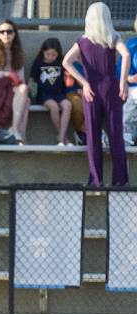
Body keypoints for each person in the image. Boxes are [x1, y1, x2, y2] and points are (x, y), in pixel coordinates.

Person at [63, 2, 130, 186]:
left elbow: (66, 62)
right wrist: (123, 81)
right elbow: (126, 55)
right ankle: (120, 180)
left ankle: (95, 180)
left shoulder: (82, 41)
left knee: (93, 136)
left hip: (90, 91)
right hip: (111, 88)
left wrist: (84, 82)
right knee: (116, 135)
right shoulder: (113, 37)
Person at [29, 38, 72, 145]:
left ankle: (61, 138)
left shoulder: (61, 62)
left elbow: (66, 79)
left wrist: (68, 77)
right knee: (53, 106)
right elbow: (32, 79)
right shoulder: (38, 62)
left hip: (59, 93)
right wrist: (31, 91)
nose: (50, 57)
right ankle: (63, 138)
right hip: (44, 95)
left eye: (54, 54)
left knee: (67, 105)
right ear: (43, 52)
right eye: (48, 54)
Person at [118, 14, 137, 146]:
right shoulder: (131, 44)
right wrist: (129, 78)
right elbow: (120, 70)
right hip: (133, 88)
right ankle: (125, 134)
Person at [64, 64, 88, 145]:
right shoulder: (72, 62)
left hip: (91, 92)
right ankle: (81, 133)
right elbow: (68, 83)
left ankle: (84, 131)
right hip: (72, 92)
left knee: (98, 104)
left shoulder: (95, 62)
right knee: (78, 105)